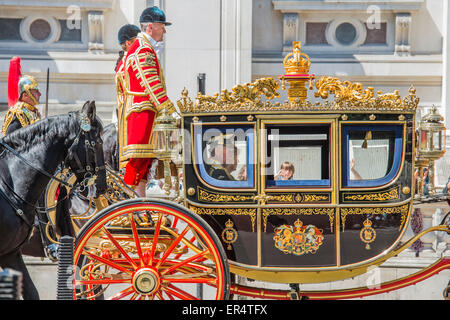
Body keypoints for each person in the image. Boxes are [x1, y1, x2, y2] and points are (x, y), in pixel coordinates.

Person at [119, 6, 177, 197]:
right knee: (138, 159)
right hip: (142, 111)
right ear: (151, 27)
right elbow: (150, 82)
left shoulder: (145, 46)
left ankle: (139, 202)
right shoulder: (143, 48)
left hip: (145, 111)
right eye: (162, 26)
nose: (165, 31)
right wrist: (169, 108)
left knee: (146, 161)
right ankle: (127, 201)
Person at [113, 24, 141, 125]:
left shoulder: (127, 60)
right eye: (138, 41)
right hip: (133, 114)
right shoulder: (127, 62)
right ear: (128, 43)